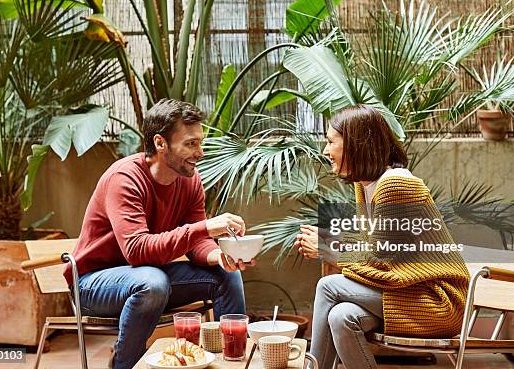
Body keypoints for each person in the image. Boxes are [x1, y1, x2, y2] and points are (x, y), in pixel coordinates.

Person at [63, 99, 255, 369]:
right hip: (92, 285)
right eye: (190, 144)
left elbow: (197, 241)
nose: (199, 152)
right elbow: (137, 250)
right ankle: (124, 365)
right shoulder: (125, 178)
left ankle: (231, 364)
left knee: (227, 274)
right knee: (152, 282)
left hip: (150, 278)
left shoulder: (189, 180)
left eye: (200, 142)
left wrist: (219, 255)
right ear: (160, 143)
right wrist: (205, 227)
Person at [295, 105, 469, 369]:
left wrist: (327, 250)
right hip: (405, 293)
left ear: (355, 144)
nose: (325, 151)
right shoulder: (365, 186)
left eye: (331, 142)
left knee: (328, 286)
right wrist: (329, 241)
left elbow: (380, 260)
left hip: (436, 300)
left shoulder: (395, 183)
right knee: (342, 316)